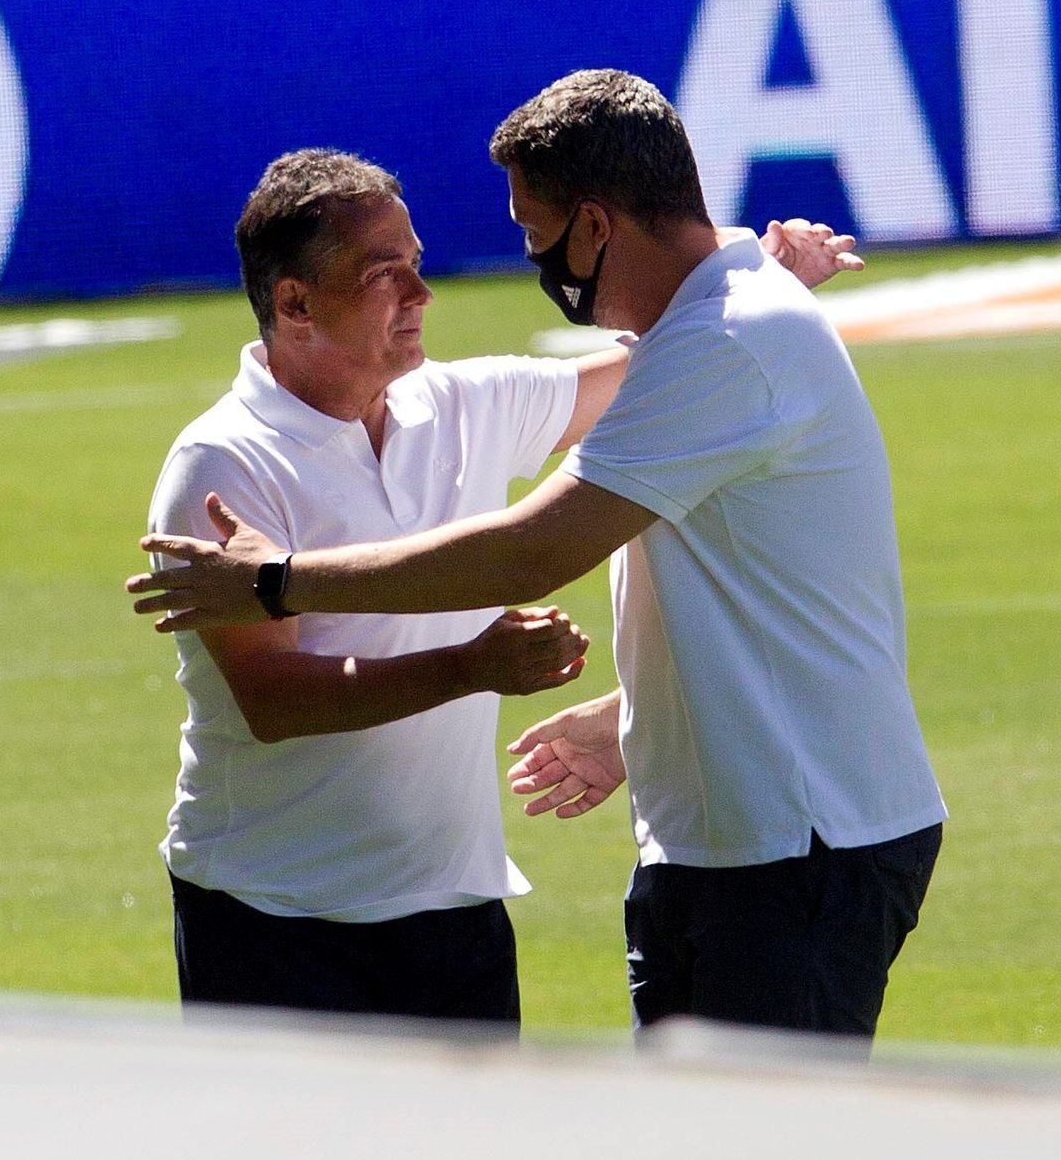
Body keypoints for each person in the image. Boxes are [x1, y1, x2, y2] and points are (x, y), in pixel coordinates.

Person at [144, 144, 859, 1030]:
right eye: (385, 275)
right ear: (294, 302)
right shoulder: (220, 463)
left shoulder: (458, 403)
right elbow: (274, 700)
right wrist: (474, 664)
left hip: (455, 912)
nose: (421, 294)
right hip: (271, 914)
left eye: (415, 264)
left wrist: (760, 280)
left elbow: (656, 375)